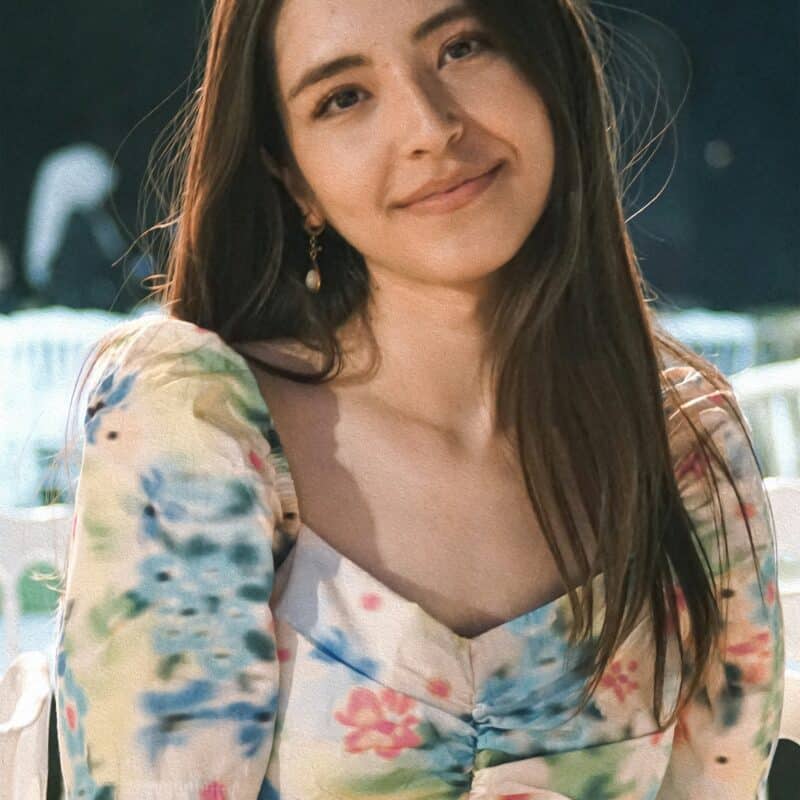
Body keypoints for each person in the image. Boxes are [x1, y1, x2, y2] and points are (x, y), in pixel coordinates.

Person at [53, 1, 784, 797]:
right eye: (343, 96)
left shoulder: (686, 455)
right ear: (292, 174)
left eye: (462, 47)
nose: (430, 127)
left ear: (549, 66)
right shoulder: (197, 427)